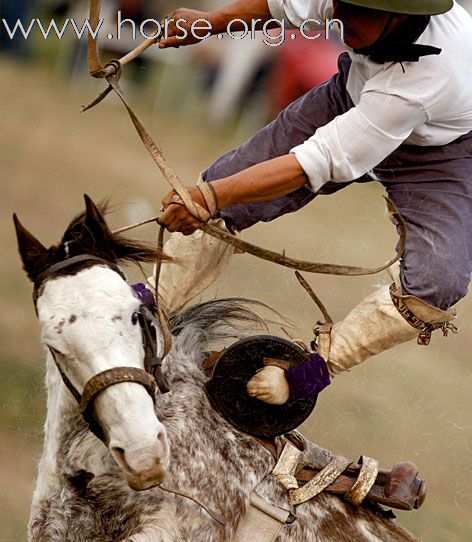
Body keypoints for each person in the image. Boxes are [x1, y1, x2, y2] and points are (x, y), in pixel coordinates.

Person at [155, 0, 472, 405]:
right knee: (225, 185)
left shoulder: (430, 77)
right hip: (354, 96)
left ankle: (313, 369)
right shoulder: (345, 7)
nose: (341, 18)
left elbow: (313, 163)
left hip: (439, 152)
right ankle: (152, 312)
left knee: (438, 281)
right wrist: (210, 23)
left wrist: (212, 197)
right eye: (342, 4)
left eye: (361, 11)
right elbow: (280, 5)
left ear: (402, 17)